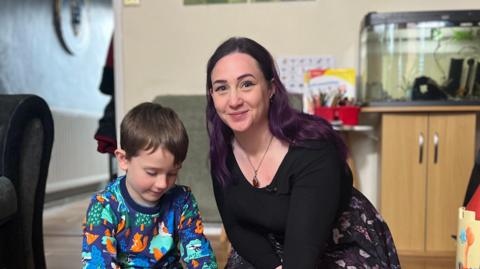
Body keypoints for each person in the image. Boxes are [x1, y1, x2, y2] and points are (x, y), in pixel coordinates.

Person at [205, 37, 400, 269]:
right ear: (212, 96)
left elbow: (302, 255)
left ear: (271, 89)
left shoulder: (313, 149)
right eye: (222, 88)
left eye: (246, 84)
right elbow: (237, 227)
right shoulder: (223, 152)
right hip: (274, 247)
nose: (234, 100)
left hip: (339, 246)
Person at [82, 102, 218, 268]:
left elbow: (199, 254)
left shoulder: (182, 200)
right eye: (152, 173)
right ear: (124, 160)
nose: (162, 184)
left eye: (172, 173)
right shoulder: (104, 206)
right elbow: (98, 264)